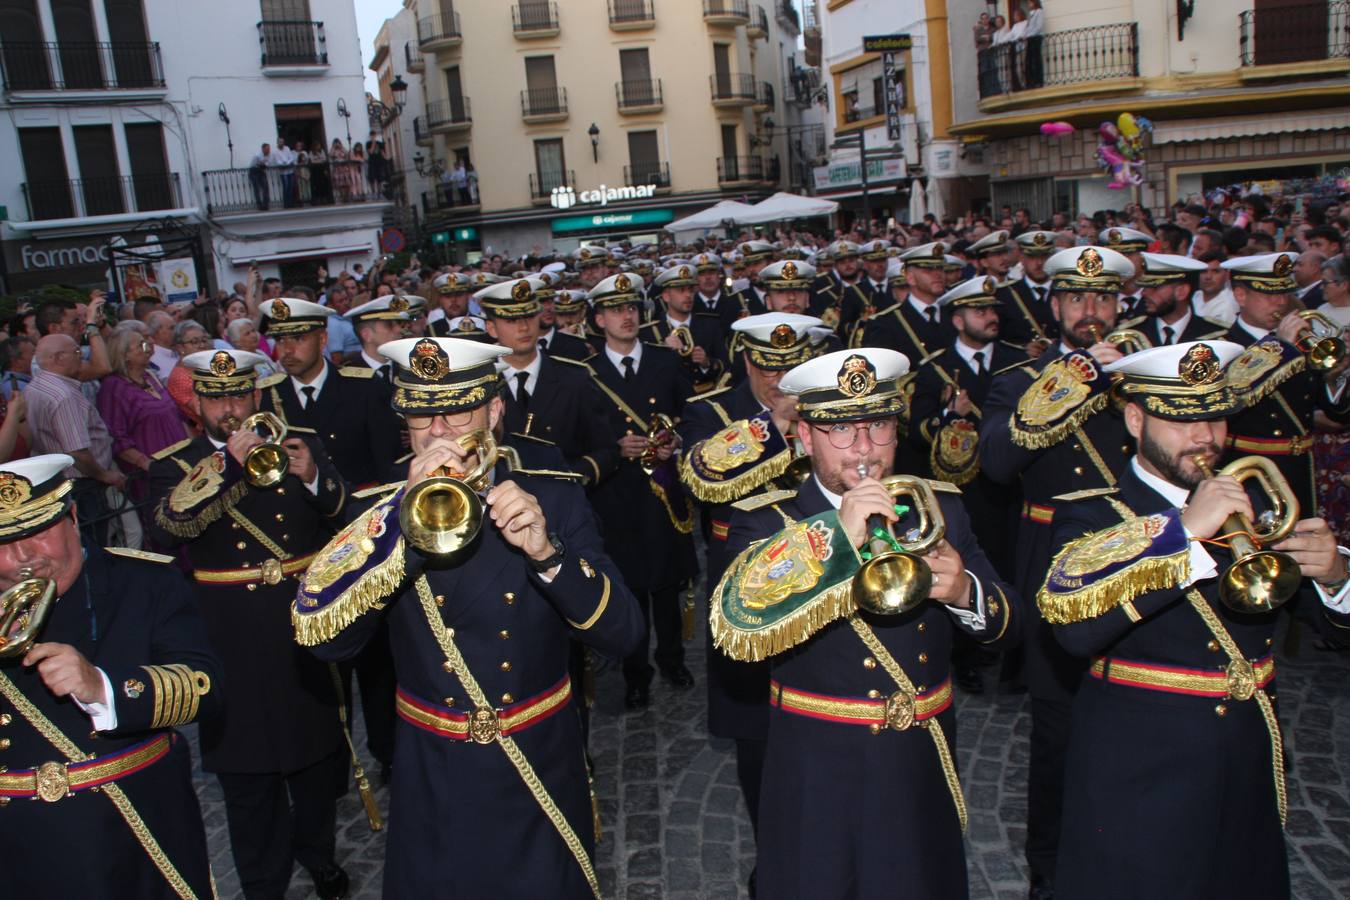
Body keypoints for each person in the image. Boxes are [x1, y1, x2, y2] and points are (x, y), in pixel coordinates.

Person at [291, 335, 641, 898]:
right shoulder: (377, 510)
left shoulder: (554, 495)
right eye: (421, 415)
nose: (438, 431)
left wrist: (549, 556)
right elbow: (326, 644)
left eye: (457, 410)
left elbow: (624, 632)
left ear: (495, 411)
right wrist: (397, 536)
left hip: (538, 755)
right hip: (435, 768)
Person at [1039, 340, 1350, 898]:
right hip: (1142, 765)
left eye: (1214, 416)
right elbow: (1073, 629)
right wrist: (1182, 530)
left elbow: (1329, 628)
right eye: (1180, 420)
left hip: (1247, 752)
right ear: (1135, 419)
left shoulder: (1256, 497)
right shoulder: (1091, 512)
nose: (1204, 436)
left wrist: (1334, 578)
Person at [713, 346, 1018, 898]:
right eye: (843, 433)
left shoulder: (939, 506)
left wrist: (964, 591)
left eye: (878, 428)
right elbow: (736, 632)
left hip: (920, 758)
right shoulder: (765, 520)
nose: (864, 450)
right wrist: (835, 537)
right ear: (805, 438)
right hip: (818, 763)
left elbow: (1014, 625)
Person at [146, 348, 351, 900]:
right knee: (245, 766)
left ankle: (320, 854)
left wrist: (312, 478)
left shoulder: (296, 439)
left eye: (239, 394)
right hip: (228, 628)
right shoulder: (175, 462)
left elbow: (345, 512)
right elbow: (167, 531)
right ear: (198, 405)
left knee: (313, 750)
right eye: (216, 398)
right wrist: (227, 467)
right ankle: (263, 879)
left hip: (297, 616)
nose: (230, 408)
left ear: (256, 396)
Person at [978, 245, 1137, 898]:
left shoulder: (1144, 372)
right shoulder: (1021, 380)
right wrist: (1074, 379)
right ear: (1055, 305)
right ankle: (1047, 863)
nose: (1090, 312)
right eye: (1077, 299)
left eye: (1102, 299)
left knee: (1135, 716)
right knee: (1058, 731)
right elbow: (994, 462)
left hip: (1138, 555)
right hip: (1056, 566)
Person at [0, 453, 223, 898]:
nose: (22, 558)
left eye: (37, 533)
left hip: (134, 831)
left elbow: (205, 687)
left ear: (73, 516)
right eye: (2, 543)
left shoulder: (145, 581)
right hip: (18, 852)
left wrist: (103, 686)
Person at [678, 312, 823, 893]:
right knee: (757, 733)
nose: (780, 378)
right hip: (745, 581)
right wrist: (772, 424)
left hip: (822, 572)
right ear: (745, 361)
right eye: (768, 367)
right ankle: (774, 858)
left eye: (790, 367)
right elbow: (700, 477)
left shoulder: (828, 398)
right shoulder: (709, 410)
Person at [583, 273, 698, 710]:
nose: (627, 316)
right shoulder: (587, 373)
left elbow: (691, 415)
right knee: (627, 588)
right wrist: (612, 449)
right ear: (599, 320)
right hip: (615, 497)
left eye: (631, 307)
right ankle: (636, 674)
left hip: (661, 491)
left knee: (667, 585)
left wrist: (677, 441)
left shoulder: (664, 360)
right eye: (615, 310)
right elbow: (580, 437)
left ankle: (672, 660)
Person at [1221, 252, 1350, 514]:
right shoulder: (1223, 347)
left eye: (1285, 293)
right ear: (1241, 295)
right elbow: (1236, 396)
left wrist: (1337, 373)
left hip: (1302, 468)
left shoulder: (1302, 342)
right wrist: (1280, 348)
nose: (1280, 302)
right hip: (1252, 471)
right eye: (1269, 295)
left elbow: (1337, 412)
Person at [479, 277, 618, 486]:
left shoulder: (574, 379)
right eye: (512, 320)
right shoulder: (479, 384)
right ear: (491, 328)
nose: (524, 327)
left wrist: (568, 480)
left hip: (565, 504)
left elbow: (606, 450)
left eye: (529, 316)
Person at [27, 334, 126, 544]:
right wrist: (104, 475)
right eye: (77, 352)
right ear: (59, 357)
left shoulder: (36, 386)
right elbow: (77, 451)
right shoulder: (63, 396)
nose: (82, 356)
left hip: (60, 482)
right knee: (92, 545)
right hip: (81, 485)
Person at [96, 326, 189, 510]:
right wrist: (146, 464)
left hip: (178, 465)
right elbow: (116, 436)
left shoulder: (149, 376)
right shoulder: (114, 388)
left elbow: (176, 417)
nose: (149, 347)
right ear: (124, 355)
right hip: (151, 474)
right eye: (141, 345)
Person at [641, 264, 727, 393]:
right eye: (681, 290)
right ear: (666, 296)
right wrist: (664, 352)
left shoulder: (710, 324)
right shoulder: (650, 332)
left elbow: (726, 365)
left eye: (691, 290)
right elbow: (647, 377)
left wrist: (706, 363)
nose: (688, 295)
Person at [998, 230, 1059, 354]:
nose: (1039, 263)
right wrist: (1022, 350)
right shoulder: (1005, 295)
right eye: (1032, 257)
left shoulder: (1065, 292)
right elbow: (997, 341)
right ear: (1021, 258)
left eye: (1045, 256)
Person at [1023, 0, 1045, 88]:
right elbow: (1029, 27)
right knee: (1029, 60)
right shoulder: (1031, 14)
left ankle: (1038, 81)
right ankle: (1030, 81)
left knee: (1036, 59)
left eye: (1030, 3)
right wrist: (1025, 35)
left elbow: (1039, 26)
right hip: (1030, 38)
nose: (1028, 5)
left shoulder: (1039, 12)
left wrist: (1029, 35)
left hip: (1036, 38)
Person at [249, 142, 273, 210]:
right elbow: (255, 165)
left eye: (269, 149)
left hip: (261, 171)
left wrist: (264, 165)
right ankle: (259, 206)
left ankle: (266, 205)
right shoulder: (257, 155)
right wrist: (263, 165)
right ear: (263, 149)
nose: (269, 150)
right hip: (254, 171)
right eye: (267, 149)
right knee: (257, 189)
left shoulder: (268, 155)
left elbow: (267, 164)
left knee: (265, 187)